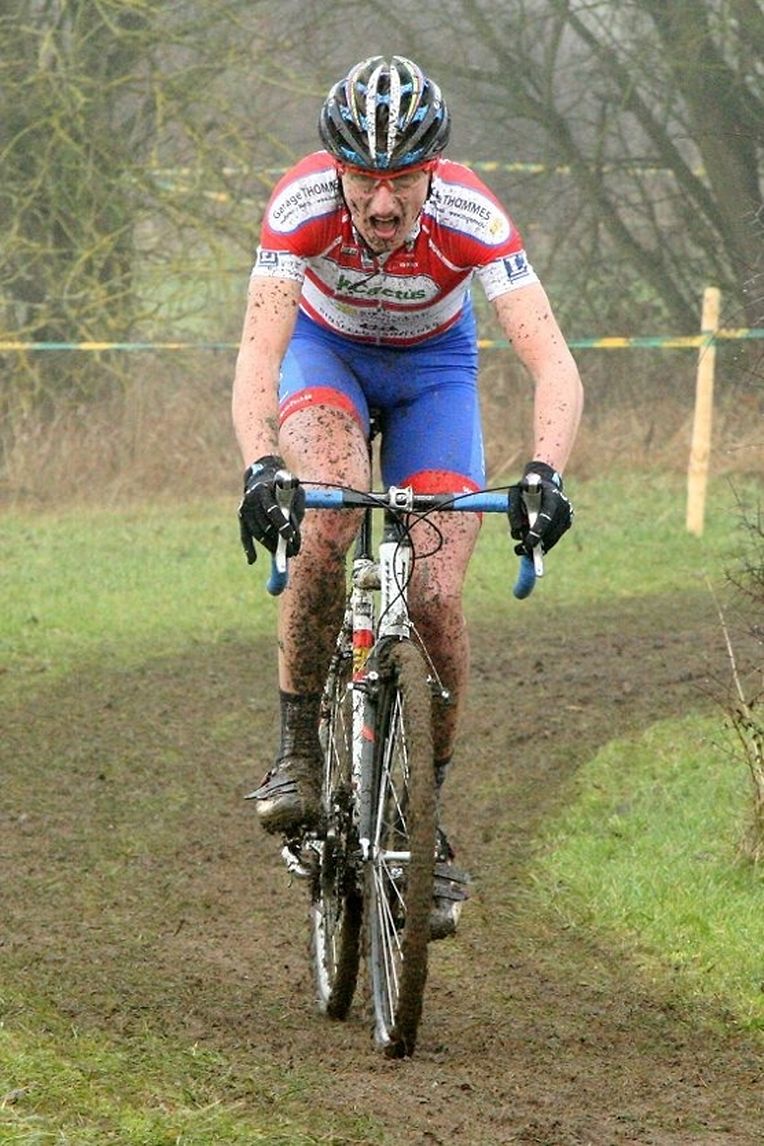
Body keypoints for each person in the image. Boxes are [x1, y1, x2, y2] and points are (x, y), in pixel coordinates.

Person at [232, 56, 583, 938]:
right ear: (336, 170)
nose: (382, 204)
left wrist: (546, 472)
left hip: (434, 376)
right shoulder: (300, 206)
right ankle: (296, 750)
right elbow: (259, 354)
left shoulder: (473, 215)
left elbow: (552, 362)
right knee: (331, 512)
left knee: (433, 595)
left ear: (435, 172)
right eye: (363, 180)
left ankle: (425, 819)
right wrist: (260, 463)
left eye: (404, 181)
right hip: (326, 358)